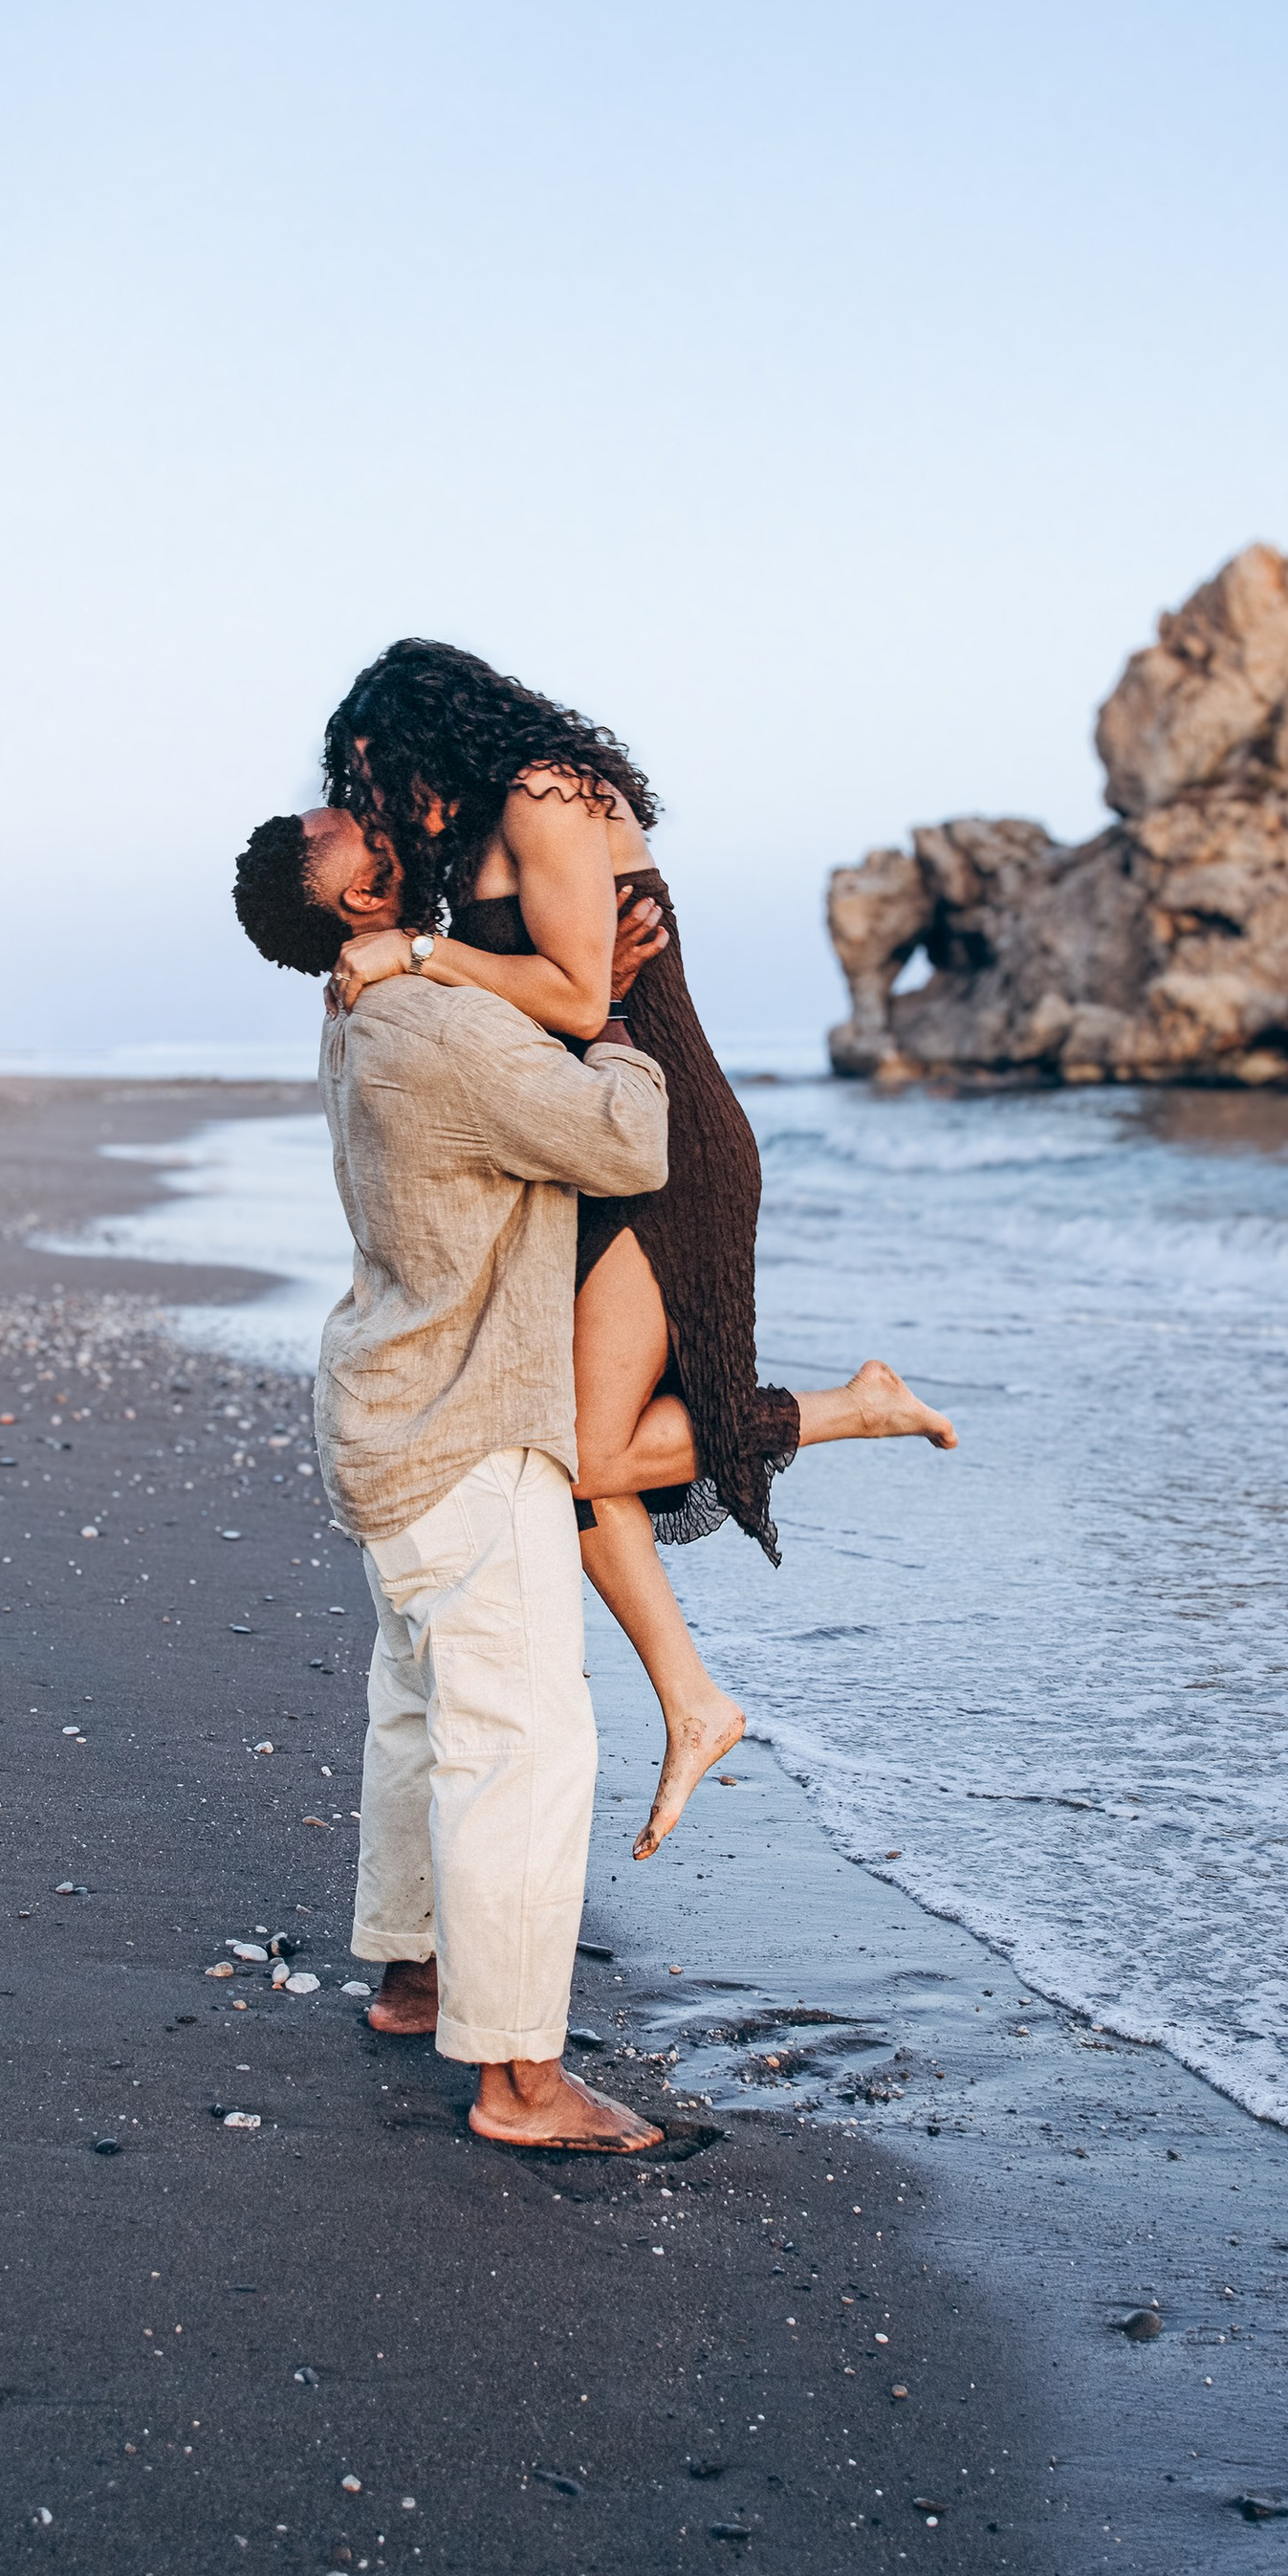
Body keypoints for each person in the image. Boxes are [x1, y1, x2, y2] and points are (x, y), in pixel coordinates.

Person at [307, 638, 955, 1861]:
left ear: (423, 733)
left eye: (371, 768)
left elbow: (570, 990)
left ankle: (852, 1410)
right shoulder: (488, 823)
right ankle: (695, 1701)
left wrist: (420, 953)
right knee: (562, 1443)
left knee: (586, 1445)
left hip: (669, 1146)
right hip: (594, 1141)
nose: (375, 801)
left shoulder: (548, 791)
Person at [235, 797, 669, 2151]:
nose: (388, 825)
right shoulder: (429, 1017)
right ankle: (521, 2083)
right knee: (525, 1740)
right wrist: (621, 1026)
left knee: (423, 1711)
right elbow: (624, 1141)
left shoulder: (363, 1004)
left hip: (387, 1408)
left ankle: (414, 1976)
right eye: (362, 835)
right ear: (363, 905)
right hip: (465, 1427)